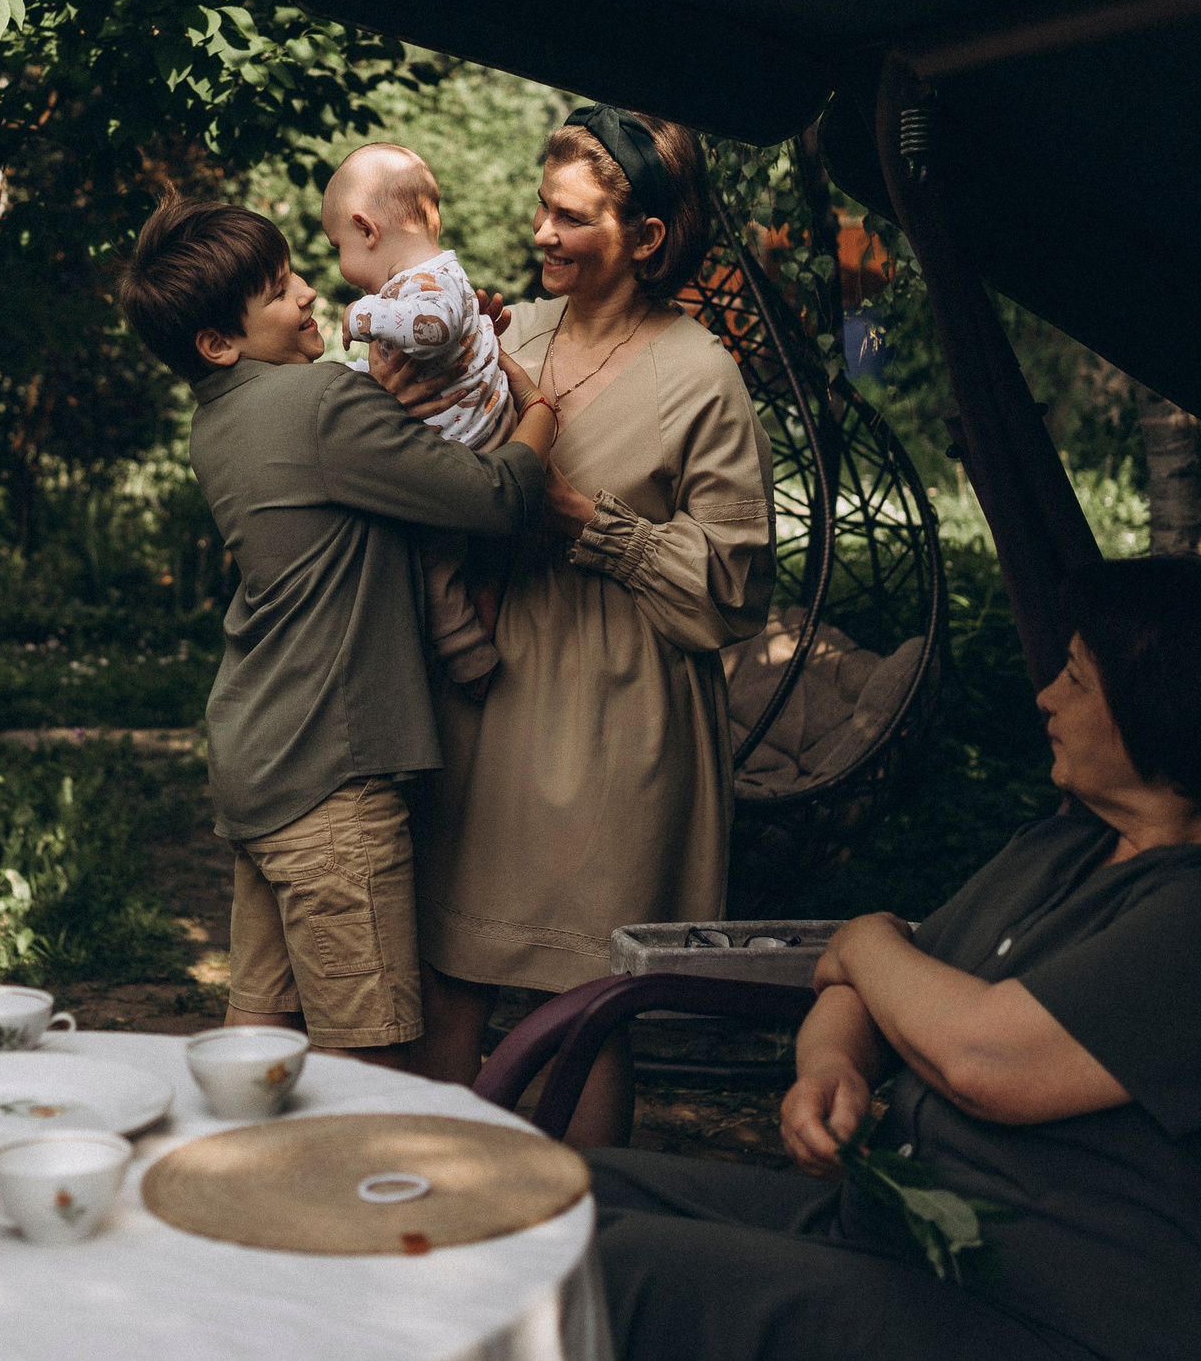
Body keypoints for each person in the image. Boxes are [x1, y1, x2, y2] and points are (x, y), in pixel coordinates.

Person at [585, 558, 1201, 1361]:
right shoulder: (1068, 847)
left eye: (1075, 678)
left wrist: (865, 938)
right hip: (899, 1240)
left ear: (1166, 711)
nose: (1047, 697)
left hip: (1059, 1321)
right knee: (557, 1196)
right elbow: (862, 988)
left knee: (595, 1268)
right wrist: (833, 1066)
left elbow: (983, 1059)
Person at [398, 105, 774, 1142]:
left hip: (618, 717)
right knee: (451, 971)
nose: (541, 233)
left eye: (569, 218)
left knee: (580, 1002)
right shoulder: (511, 332)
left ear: (645, 237)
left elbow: (736, 585)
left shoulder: (701, 376)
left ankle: (588, 1218)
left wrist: (584, 519)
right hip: (486, 691)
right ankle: (435, 1205)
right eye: (543, 209)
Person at [115, 196, 559, 1066]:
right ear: (218, 341)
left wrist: (395, 381)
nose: (309, 293)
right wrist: (536, 402)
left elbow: (341, 454)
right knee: (372, 1059)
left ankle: (238, 1159)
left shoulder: (217, 420)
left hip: (260, 759)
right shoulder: (323, 399)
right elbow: (497, 495)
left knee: (261, 1032)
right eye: (279, 290)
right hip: (332, 778)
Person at [321, 142, 515, 693]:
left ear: (366, 229)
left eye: (338, 246)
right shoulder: (428, 282)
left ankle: (470, 663)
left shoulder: (425, 285)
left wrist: (363, 315)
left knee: (430, 567)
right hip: (477, 436)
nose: (340, 266)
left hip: (470, 447)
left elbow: (433, 328)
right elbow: (399, 364)